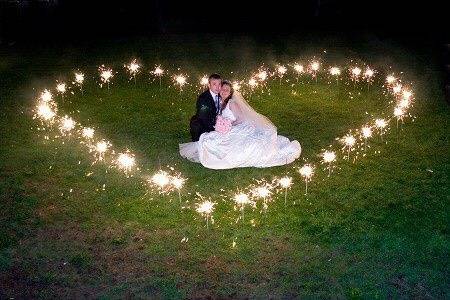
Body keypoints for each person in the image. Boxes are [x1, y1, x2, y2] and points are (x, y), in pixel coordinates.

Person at [180, 80, 301, 169]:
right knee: (209, 140)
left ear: (231, 92)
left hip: (238, 127)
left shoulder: (232, 103)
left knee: (221, 144)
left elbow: (241, 119)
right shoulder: (220, 102)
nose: (224, 91)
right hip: (226, 128)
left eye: (227, 90)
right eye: (222, 89)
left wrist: (229, 125)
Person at [189, 73, 222, 141]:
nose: (217, 87)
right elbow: (203, 117)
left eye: (219, 84)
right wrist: (215, 128)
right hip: (203, 125)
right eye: (214, 84)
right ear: (209, 85)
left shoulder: (221, 95)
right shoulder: (203, 98)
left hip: (216, 123)